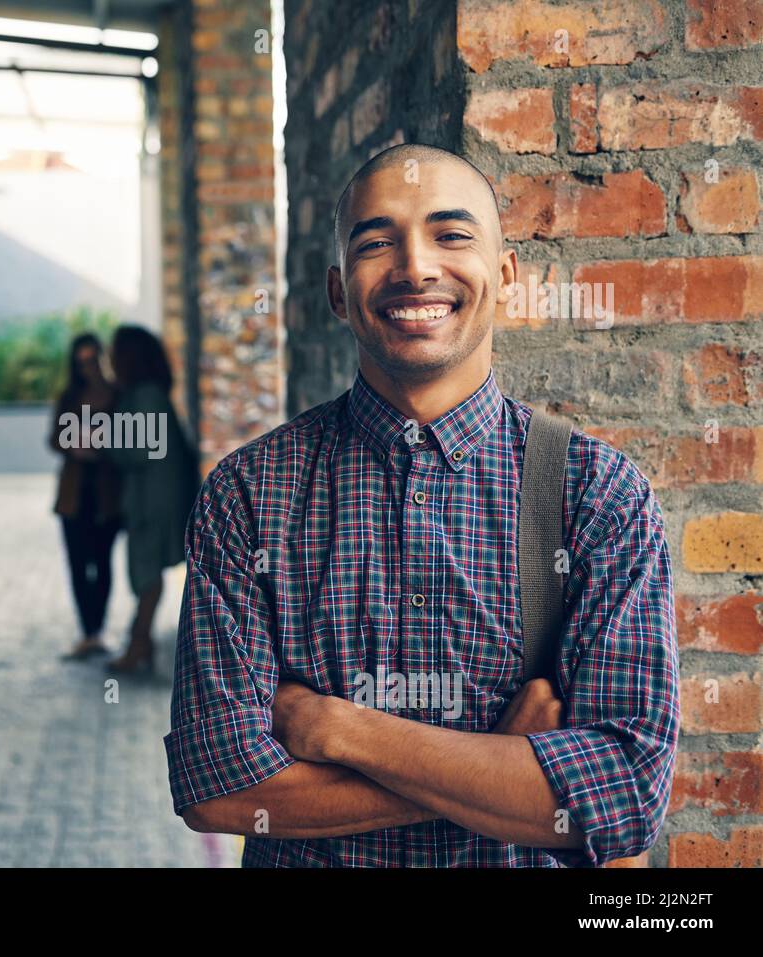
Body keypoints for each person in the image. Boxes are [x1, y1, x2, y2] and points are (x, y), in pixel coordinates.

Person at [164, 143, 680, 867]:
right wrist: (502, 761)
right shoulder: (248, 494)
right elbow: (217, 787)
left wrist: (339, 730)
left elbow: (622, 796)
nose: (415, 267)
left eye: (451, 234)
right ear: (340, 290)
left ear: (502, 278)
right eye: (377, 242)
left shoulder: (596, 494)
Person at [100, 325, 200, 674]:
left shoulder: (143, 397)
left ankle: (139, 643)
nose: (109, 357)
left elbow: (139, 450)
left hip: (151, 499)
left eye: (115, 350)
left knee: (145, 570)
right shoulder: (148, 393)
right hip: (159, 494)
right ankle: (139, 641)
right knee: (148, 570)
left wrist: (102, 442)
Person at [49, 334, 122, 660]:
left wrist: (105, 446)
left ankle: (99, 629)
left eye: (92, 360)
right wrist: (74, 444)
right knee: (78, 562)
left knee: (102, 560)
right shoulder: (69, 396)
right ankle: (88, 631)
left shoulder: (121, 396)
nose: (87, 368)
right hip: (74, 492)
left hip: (108, 492)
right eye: (81, 363)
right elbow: (54, 439)